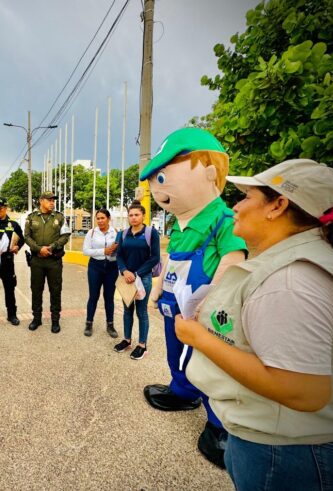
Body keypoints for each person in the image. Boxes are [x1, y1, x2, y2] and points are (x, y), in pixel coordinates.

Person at [175, 159, 333, 489]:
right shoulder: (289, 264)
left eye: (247, 197)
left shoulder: (293, 279)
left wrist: (198, 336)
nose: (235, 206)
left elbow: (302, 390)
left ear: (278, 206)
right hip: (280, 441)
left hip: (288, 451)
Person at [139, 127, 247, 468]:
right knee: (177, 352)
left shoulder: (224, 219)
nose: (158, 188)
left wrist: (211, 301)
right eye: (156, 179)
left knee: (210, 364)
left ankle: (220, 426)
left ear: (211, 173)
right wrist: (156, 289)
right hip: (176, 308)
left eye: (164, 177)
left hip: (206, 314)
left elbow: (233, 261)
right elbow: (170, 261)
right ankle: (183, 392)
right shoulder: (178, 225)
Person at [114, 202, 160, 359]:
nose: (133, 218)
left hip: (143, 278)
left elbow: (155, 258)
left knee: (141, 312)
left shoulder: (151, 233)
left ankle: (142, 344)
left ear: (143, 216)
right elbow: (119, 255)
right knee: (127, 309)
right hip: (126, 278)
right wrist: (125, 270)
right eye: (131, 215)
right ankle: (127, 340)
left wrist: (137, 273)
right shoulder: (124, 233)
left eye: (136, 215)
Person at [24, 191, 70, 333]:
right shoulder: (31, 218)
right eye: (49, 200)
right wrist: (38, 249)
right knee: (36, 290)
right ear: (41, 201)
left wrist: (52, 247)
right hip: (37, 260)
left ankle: (55, 320)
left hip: (54, 260)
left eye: (53, 200)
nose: (52, 202)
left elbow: (65, 235)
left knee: (55, 290)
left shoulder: (59, 217)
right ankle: (36, 318)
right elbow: (26, 236)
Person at [0, 197, 24, 326]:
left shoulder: (13, 224)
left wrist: (18, 246)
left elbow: (22, 239)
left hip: (7, 261)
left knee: (9, 289)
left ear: (6, 208)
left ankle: (12, 315)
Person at [82, 208, 119, 338]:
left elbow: (121, 250)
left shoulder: (115, 232)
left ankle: (110, 325)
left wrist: (116, 250)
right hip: (95, 267)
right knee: (93, 296)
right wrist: (103, 251)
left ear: (108, 219)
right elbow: (85, 251)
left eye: (103, 218)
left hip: (112, 267)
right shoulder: (91, 233)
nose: (100, 221)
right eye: (98, 218)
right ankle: (89, 323)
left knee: (109, 297)